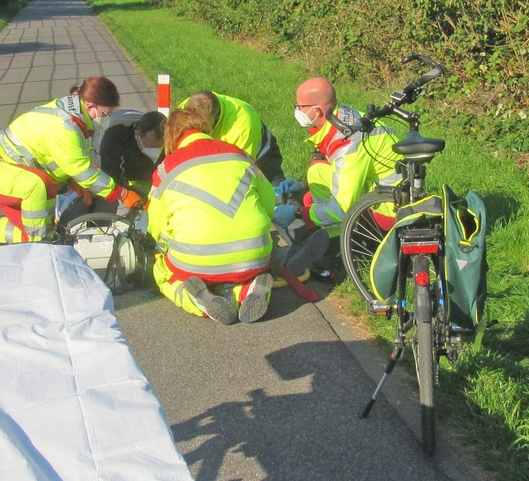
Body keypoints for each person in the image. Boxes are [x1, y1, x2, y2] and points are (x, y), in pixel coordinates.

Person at [0, 77, 145, 245]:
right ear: (90, 105)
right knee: (40, 192)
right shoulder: (66, 126)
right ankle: (44, 247)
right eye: (106, 113)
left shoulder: (77, 117)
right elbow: (81, 168)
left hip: (9, 170)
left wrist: (71, 181)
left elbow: (54, 156)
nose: (107, 118)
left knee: (31, 232)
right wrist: (122, 193)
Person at [146, 108, 276, 324]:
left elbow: (156, 226)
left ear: (171, 137)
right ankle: (247, 291)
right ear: (205, 127)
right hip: (255, 254)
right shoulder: (239, 154)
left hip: (196, 260)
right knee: (241, 271)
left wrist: (164, 244)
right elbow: (269, 201)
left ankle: (199, 302)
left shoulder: (166, 169)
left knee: (162, 270)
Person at [280, 76, 402, 237]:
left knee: (317, 177)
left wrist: (300, 214)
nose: (297, 110)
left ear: (316, 111)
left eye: (299, 106)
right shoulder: (344, 117)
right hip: (389, 192)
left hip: (388, 211)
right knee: (315, 175)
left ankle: (334, 242)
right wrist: (301, 186)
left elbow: (342, 207)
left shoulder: (347, 143)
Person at [180, 90, 291, 192]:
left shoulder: (242, 126)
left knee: (275, 194)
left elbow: (239, 173)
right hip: (215, 151)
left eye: (202, 126)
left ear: (216, 117)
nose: (195, 129)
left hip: (259, 156)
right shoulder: (185, 109)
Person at [98, 110, 166, 196]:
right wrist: (127, 194)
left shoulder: (170, 137)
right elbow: (112, 177)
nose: (155, 151)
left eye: (159, 147)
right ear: (137, 135)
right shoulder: (115, 138)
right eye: (151, 146)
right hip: (109, 162)